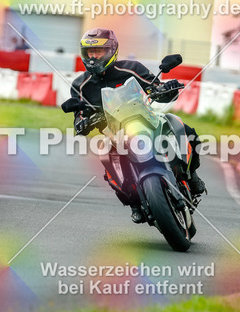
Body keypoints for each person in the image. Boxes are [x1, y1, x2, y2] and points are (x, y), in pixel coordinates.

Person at [70, 28, 206, 222]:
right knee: (105, 155)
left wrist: (166, 88)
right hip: (114, 134)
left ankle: (191, 175)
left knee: (179, 125)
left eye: (98, 51)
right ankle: (134, 203)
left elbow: (154, 86)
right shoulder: (80, 85)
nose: (93, 57)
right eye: (89, 52)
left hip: (145, 119)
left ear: (111, 51)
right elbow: (79, 115)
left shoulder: (131, 68)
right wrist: (81, 123)